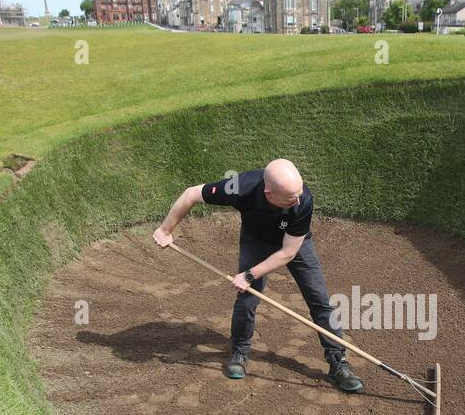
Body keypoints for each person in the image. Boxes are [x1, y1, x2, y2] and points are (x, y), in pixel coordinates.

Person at [152, 158, 364, 393]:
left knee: (320, 300)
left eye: (299, 194)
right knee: (246, 300)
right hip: (256, 241)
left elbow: (288, 252)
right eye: (290, 198)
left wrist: (249, 274)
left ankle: (338, 362)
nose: (297, 200)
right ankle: (239, 352)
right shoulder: (239, 187)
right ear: (268, 192)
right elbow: (191, 194)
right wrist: (165, 229)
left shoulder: (302, 199)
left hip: (294, 245)